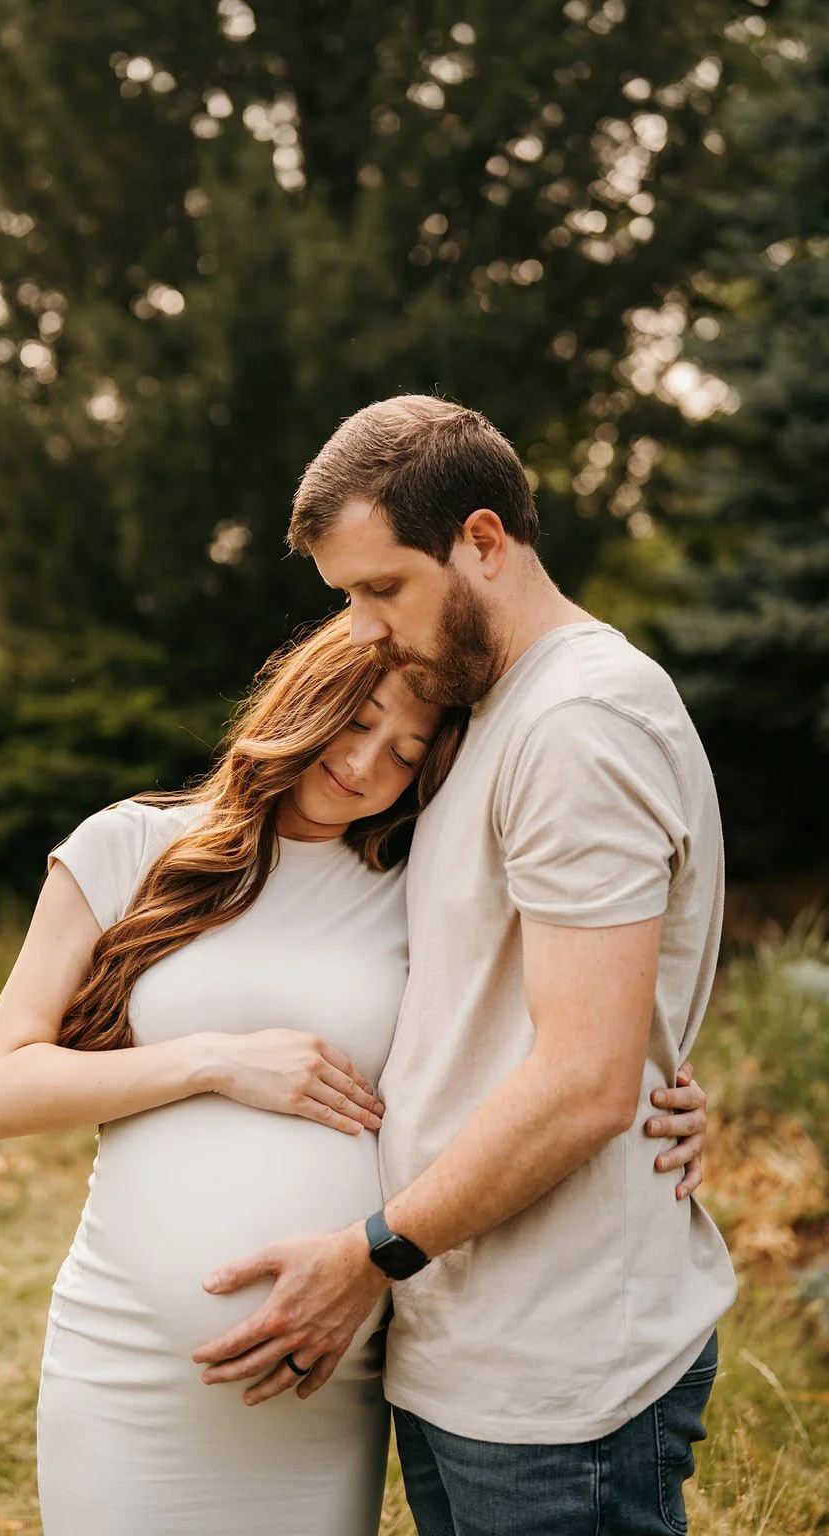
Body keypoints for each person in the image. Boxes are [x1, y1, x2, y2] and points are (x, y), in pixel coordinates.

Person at [0, 613, 707, 1536]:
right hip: (126, 1361)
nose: (364, 766)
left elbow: (559, 1039)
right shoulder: (131, 846)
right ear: (308, 696)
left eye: (404, 753)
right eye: (358, 721)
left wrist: (658, 1099)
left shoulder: (415, 890)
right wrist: (216, 1060)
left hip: (326, 1374)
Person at [191, 396, 737, 1536]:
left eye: (382, 588)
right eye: (346, 597)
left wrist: (369, 1255)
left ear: (482, 541)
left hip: (562, 1374)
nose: (364, 629)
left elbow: (584, 1078)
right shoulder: (488, 714)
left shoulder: (579, 722)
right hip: (472, 1344)